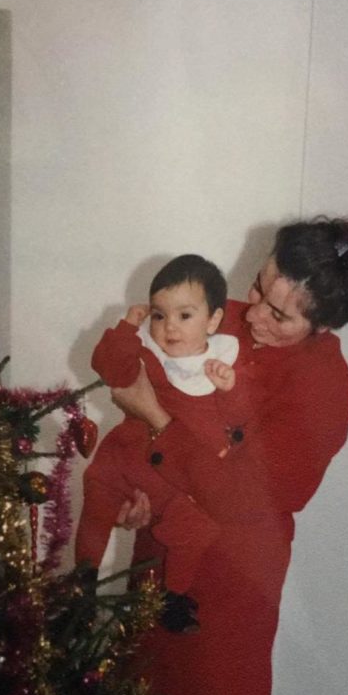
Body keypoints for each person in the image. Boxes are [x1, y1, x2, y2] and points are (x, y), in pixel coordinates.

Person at [110, 218, 348, 695]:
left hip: (235, 575)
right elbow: (134, 369)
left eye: (280, 316)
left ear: (322, 326)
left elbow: (249, 497)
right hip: (167, 546)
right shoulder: (219, 317)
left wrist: (152, 416)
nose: (252, 314)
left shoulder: (324, 386)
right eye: (259, 287)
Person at [75, 254, 252, 602]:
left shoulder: (223, 362)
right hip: (128, 455)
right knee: (98, 496)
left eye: (184, 316)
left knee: (195, 529)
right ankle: (82, 583)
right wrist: (127, 328)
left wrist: (231, 389)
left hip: (170, 477)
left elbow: (239, 424)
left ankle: (174, 597)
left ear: (213, 320)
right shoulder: (149, 353)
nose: (169, 327)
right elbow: (109, 368)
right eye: (159, 315)